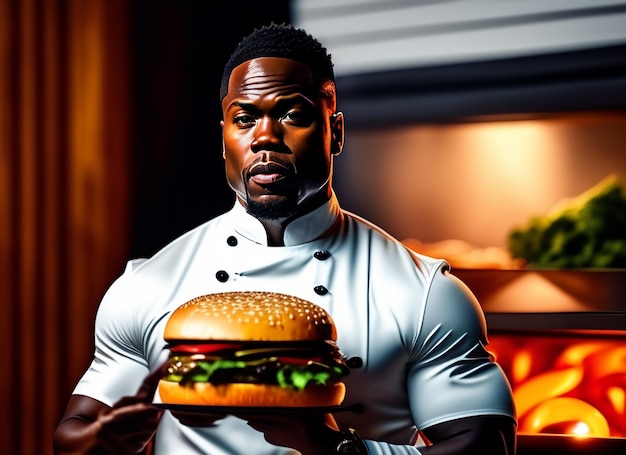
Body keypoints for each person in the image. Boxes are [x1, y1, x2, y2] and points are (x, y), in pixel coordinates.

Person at [53, 23, 517, 454]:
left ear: (334, 131)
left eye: (293, 114)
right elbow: (73, 433)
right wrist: (104, 440)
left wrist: (334, 448)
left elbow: (486, 447)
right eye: (244, 119)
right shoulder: (147, 284)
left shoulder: (424, 292)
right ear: (223, 139)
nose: (265, 137)